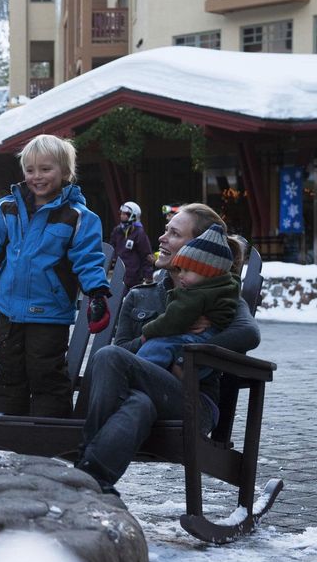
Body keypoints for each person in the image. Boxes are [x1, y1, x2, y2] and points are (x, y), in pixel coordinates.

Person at [77, 203, 261, 495]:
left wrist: (181, 354)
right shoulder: (140, 296)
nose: (162, 238)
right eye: (165, 231)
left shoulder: (218, 296)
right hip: (143, 393)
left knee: (109, 356)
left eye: (174, 234)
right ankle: (93, 480)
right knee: (138, 403)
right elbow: (124, 348)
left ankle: (81, 465)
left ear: (197, 246)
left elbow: (248, 333)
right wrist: (168, 332)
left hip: (192, 401)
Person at [0, 134, 111, 418]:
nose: (37, 176)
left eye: (46, 169)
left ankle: (49, 433)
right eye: (30, 170)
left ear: (65, 172)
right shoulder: (8, 208)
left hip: (49, 314)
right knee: (6, 370)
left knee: (46, 374)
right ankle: (6, 430)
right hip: (9, 310)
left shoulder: (78, 217)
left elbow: (88, 259)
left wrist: (97, 293)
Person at [135, 223, 239, 377]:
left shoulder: (196, 294)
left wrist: (147, 332)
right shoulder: (225, 287)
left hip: (197, 344)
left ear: (207, 272)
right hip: (206, 347)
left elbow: (173, 319)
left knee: (156, 345)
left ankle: (139, 373)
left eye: (187, 270)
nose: (181, 275)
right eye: (180, 269)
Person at [109, 201, 153, 289]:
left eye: (126, 214)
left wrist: (148, 276)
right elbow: (111, 249)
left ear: (133, 215)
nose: (122, 215)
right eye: (121, 213)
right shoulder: (117, 230)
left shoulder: (139, 233)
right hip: (118, 275)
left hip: (134, 279)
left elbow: (146, 256)